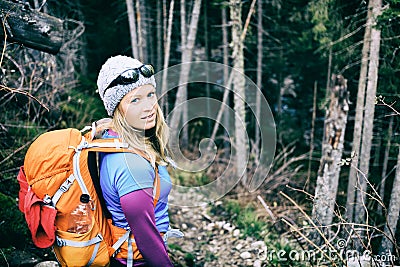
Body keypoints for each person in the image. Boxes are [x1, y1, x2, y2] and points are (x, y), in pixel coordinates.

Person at [96, 55, 175, 267]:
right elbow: (147, 238)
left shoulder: (112, 138)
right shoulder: (132, 166)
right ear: (117, 108)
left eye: (150, 94)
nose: (149, 106)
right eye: (135, 100)